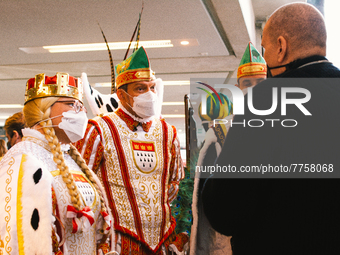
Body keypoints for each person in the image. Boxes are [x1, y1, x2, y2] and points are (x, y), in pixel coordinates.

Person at [202, 3, 340, 255]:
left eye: (264, 48)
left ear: (281, 46)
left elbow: (227, 212)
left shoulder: (266, 101)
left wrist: (210, 182)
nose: (264, 60)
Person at [75, 46, 185, 254]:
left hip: (162, 242)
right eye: (141, 88)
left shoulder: (168, 132)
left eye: (152, 87)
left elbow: (175, 184)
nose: (151, 94)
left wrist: (176, 231)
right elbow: (80, 188)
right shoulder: (97, 129)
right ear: (121, 95)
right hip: (116, 242)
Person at [0, 72, 113, 254]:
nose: (82, 112)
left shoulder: (70, 158)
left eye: (81, 106)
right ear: (43, 110)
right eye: (71, 104)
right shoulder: (22, 159)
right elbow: (17, 238)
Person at [190, 42, 266, 255]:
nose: (254, 88)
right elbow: (208, 198)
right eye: (247, 83)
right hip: (233, 236)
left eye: (260, 82)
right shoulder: (221, 131)